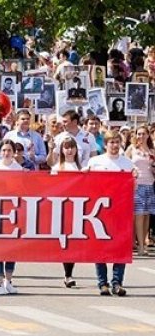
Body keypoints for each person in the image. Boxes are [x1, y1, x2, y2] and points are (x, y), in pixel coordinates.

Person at [85, 130, 134, 296]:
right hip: (100, 210)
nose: (114, 145)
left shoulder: (127, 163)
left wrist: (135, 178)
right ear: (105, 144)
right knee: (101, 247)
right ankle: (102, 283)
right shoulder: (95, 161)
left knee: (120, 248)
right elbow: (85, 182)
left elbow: (133, 186)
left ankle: (117, 282)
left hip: (121, 210)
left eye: (116, 142)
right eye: (111, 142)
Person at [0, 140, 25, 294]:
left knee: (11, 250)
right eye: (3, 150)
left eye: (9, 150)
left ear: (14, 151)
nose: (6, 153)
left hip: (13, 212)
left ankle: (9, 281)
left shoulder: (19, 169)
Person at [50, 136, 83, 288]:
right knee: (65, 241)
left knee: (74, 242)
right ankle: (67, 273)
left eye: (72, 147)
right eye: (66, 147)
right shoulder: (57, 168)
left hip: (78, 208)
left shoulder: (81, 168)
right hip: (62, 208)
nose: (69, 150)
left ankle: (69, 274)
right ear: (62, 150)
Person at [126, 125, 154, 257]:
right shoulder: (132, 149)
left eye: (143, 134)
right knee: (139, 215)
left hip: (149, 184)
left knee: (146, 216)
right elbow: (125, 163)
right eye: (138, 134)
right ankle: (141, 246)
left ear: (148, 135)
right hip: (137, 185)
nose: (141, 136)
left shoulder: (152, 150)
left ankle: (142, 242)